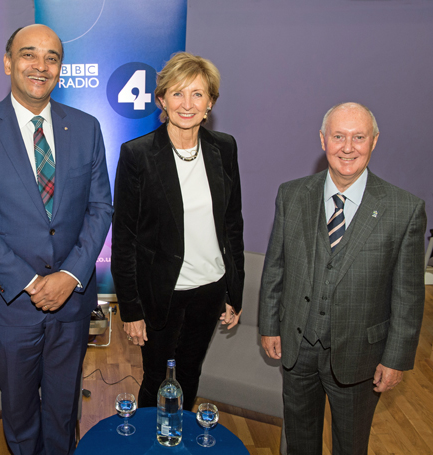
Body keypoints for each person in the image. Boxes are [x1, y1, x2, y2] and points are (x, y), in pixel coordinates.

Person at [0, 25, 112, 454]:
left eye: (51, 57)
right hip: (11, 301)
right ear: (8, 63)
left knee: (63, 405)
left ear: (60, 68)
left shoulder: (87, 127)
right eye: (28, 54)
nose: (40, 66)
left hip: (72, 300)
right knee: (19, 409)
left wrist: (70, 275)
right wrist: (31, 281)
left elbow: (100, 209)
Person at [259, 102, 426, 454]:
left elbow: (408, 296)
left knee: (350, 446)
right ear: (323, 140)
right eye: (338, 136)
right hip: (297, 347)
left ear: (374, 142)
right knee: (300, 443)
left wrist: (396, 358)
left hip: (360, 357)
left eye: (358, 137)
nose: (347, 147)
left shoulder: (404, 209)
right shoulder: (291, 195)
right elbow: (276, 266)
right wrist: (269, 325)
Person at [112, 52, 245, 410]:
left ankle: (178, 443)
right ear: (161, 100)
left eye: (198, 94)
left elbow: (233, 224)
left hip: (211, 289)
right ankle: (146, 446)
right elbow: (124, 238)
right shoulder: (137, 154)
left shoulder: (225, 148)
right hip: (161, 293)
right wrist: (131, 309)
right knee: (156, 378)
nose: (187, 104)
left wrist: (235, 290)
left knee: (189, 372)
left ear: (210, 102)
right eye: (177, 93)